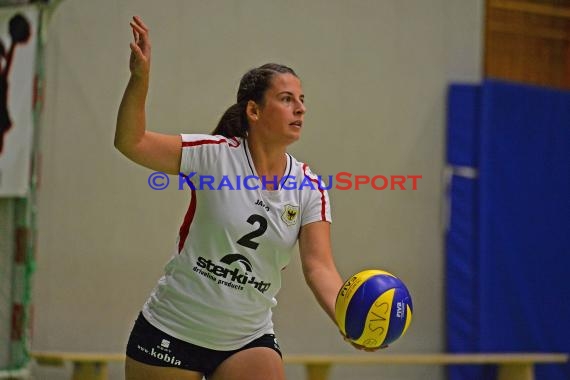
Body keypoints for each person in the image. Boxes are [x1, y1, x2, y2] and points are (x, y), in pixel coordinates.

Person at [116, 16, 363, 380]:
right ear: (254, 110)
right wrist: (140, 79)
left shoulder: (309, 187)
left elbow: (319, 268)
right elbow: (130, 141)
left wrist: (348, 317)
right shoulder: (213, 156)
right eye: (286, 99)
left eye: (302, 100)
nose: (300, 108)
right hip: (172, 330)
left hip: (246, 338)